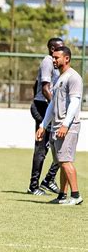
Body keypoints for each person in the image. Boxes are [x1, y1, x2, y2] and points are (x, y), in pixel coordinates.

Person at [36, 46, 83, 205]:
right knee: (60, 161)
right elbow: (52, 105)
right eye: (53, 57)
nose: (54, 60)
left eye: (57, 57)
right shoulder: (58, 78)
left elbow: (75, 102)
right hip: (56, 127)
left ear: (67, 58)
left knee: (66, 161)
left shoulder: (73, 77)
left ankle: (76, 195)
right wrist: (43, 125)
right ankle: (62, 195)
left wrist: (65, 124)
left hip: (67, 127)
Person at [28, 38, 64, 195]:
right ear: (52, 49)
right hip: (43, 107)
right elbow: (44, 89)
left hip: (49, 107)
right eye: (59, 48)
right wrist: (54, 107)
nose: (62, 50)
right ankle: (33, 186)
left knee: (60, 145)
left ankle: (49, 179)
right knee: (41, 148)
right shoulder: (48, 61)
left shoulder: (57, 65)